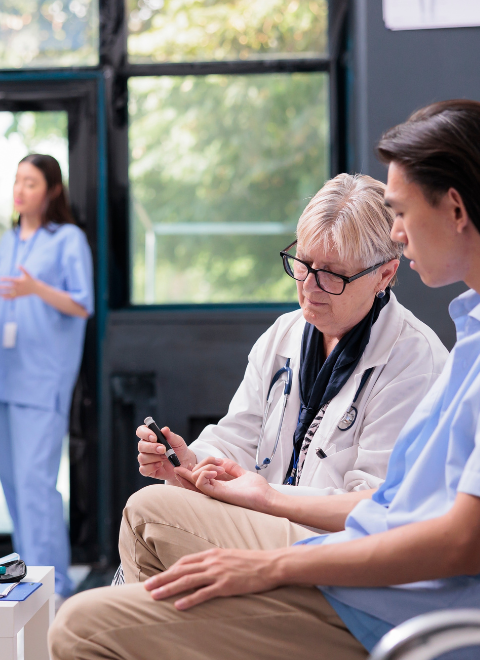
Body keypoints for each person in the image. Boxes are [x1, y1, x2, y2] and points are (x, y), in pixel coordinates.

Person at [50, 99, 480, 660]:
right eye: (303, 268)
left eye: (403, 213)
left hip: (394, 611)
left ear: (455, 209)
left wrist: (269, 563)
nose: (400, 234)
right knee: (146, 514)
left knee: (78, 625)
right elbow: (393, 505)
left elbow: (459, 542)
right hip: (369, 578)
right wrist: (250, 488)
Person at [135, 174, 448, 505]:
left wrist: (270, 498)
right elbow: (239, 439)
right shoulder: (284, 334)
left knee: (150, 510)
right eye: (304, 263)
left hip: (334, 542)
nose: (309, 286)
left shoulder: (414, 362)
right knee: (154, 509)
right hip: (265, 521)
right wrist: (189, 463)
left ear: (383, 275)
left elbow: (377, 503)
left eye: (331, 273)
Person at [0, 154, 93, 598]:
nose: (21, 190)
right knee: (11, 483)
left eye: (32, 182)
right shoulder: (8, 240)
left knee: (36, 485)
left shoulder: (68, 239)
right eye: (17, 181)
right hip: (5, 376)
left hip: (43, 379)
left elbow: (81, 304)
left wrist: (36, 288)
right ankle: (28, 577)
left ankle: (53, 582)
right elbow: (8, 293)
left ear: (52, 190)